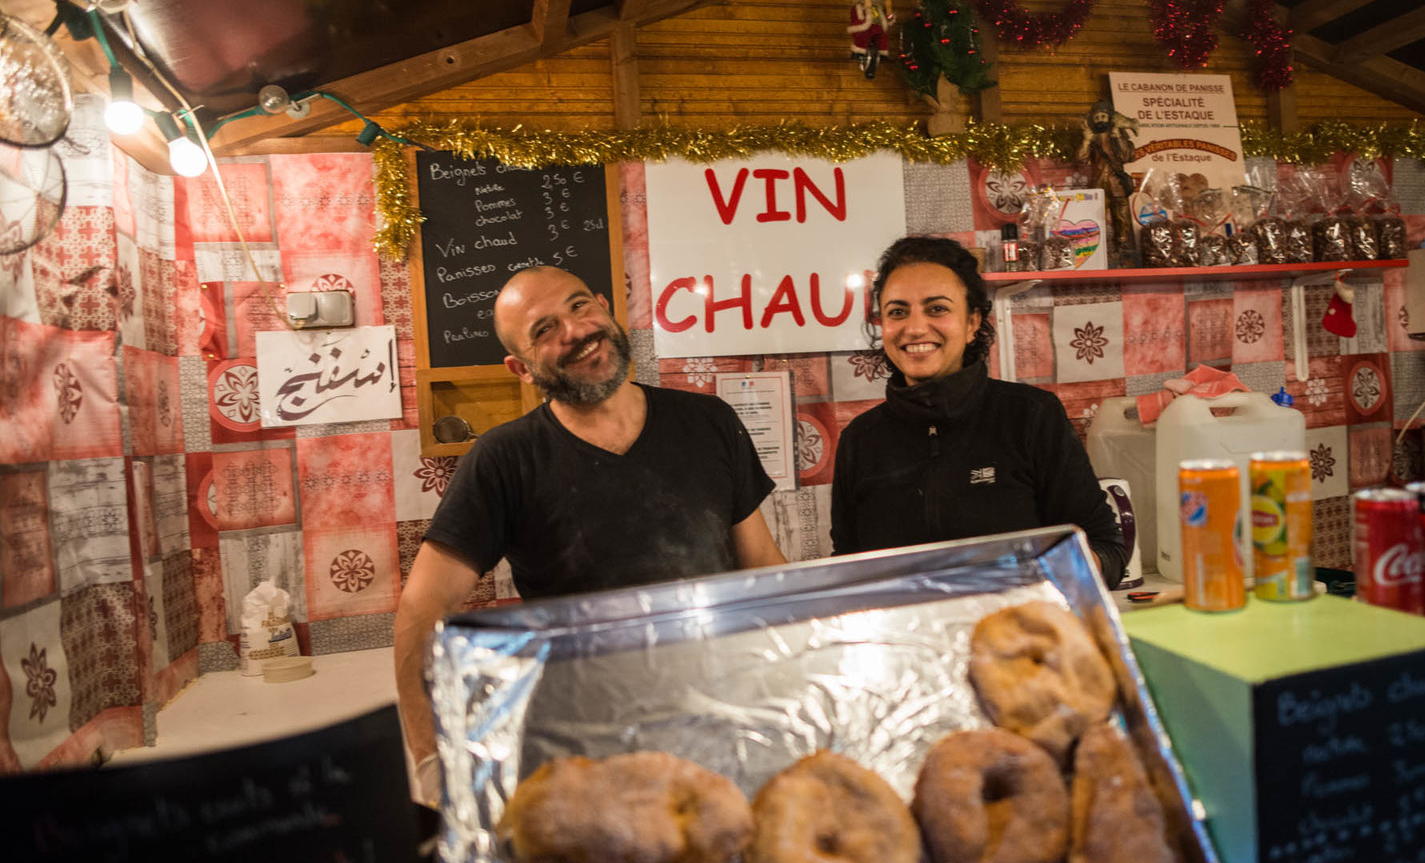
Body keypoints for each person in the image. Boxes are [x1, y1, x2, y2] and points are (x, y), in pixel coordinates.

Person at [394, 266, 786, 801]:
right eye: (544, 329)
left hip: (721, 722)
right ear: (521, 368)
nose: (576, 331)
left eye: (580, 306)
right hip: (586, 754)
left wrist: (792, 685)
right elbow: (421, 614)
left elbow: (762, 564)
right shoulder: (505, 460)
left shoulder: (709, 422)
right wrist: (430, 764)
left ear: (605, 306)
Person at [830, 236, 1127, 584]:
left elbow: (1107, 549)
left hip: (1017, 632)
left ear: (972, 322)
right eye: (897, 311)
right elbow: (847, 570)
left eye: (937, 308)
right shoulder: (860, 441)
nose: (914, 327)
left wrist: (1040, 576)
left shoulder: (1031, 416)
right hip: (905, 638)